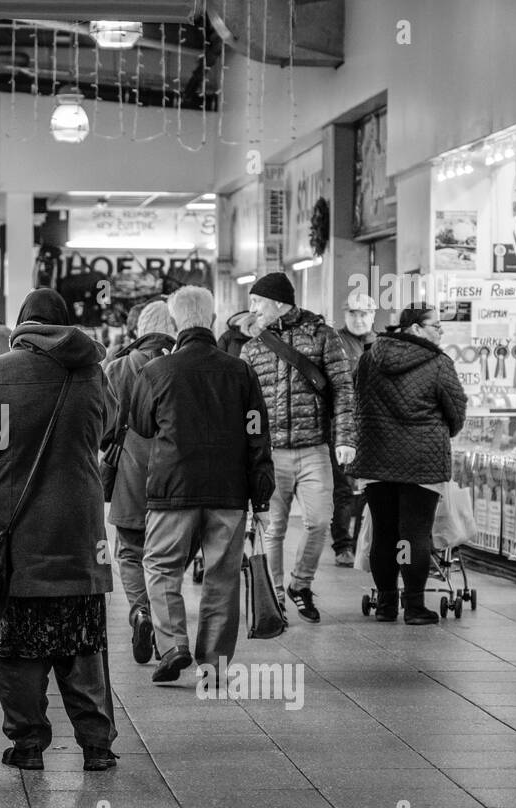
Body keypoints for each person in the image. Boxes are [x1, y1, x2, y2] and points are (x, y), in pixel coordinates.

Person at [0, 288, 119, 772]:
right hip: (79, 535)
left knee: (15, 642)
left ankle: (28, 746)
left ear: (22, 324)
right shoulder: (92, 374)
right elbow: (108, 427)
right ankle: (97, 746)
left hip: (11, 536)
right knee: (82, 642)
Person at [128, 286, 274, 684]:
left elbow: (140, 425)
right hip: (229, 491)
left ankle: (173, 642)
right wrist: (260, 494)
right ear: (211, 320)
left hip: (173, 489)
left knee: (160, 566)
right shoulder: (240, 371)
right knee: (222, 574)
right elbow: (258, 435)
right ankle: (214, 662)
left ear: (174, 323)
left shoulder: (156, 371)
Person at [240, 272, 355, 624]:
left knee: (320, 520)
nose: (253, 309)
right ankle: (275, 595)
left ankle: (300, 584)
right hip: (272, 452)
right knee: (273, 527)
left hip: (314, 448)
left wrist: (346, 438)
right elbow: (245, 405)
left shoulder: (322, 336)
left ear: (277, 302)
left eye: (258, 302)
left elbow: (343, 389)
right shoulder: (252, 346)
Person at [349, 304, 466, 625]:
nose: (440, 332)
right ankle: (414, 607)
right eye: (436, 326)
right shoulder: (439, 363)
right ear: (415, 329)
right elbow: (456, 411)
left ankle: (386, 604)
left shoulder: (369, 358)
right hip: (421, 461)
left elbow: (354, 401)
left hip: (376, 458)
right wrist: (439, 432)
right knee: (414, 534)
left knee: (385, 533)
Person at [101, 299, 178, 665]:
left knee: (130, 551)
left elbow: (103, 424)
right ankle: (167, 629)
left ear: (140, 330)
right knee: (166, 558)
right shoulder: (181, 365)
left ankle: (140, 612)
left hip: (131, 469)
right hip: (175, 472)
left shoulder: (118, 367)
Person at [331, 293, 379, 566]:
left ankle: (366, 542)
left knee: (372, 490)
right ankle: (342, 545)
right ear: (345, 315)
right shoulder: (335, 343)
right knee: (345, 488)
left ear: (373, 315)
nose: (359, 319)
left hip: (376, 428)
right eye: (353, 314)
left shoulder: (382, 345)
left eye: (364, 314)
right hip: (343, 428)